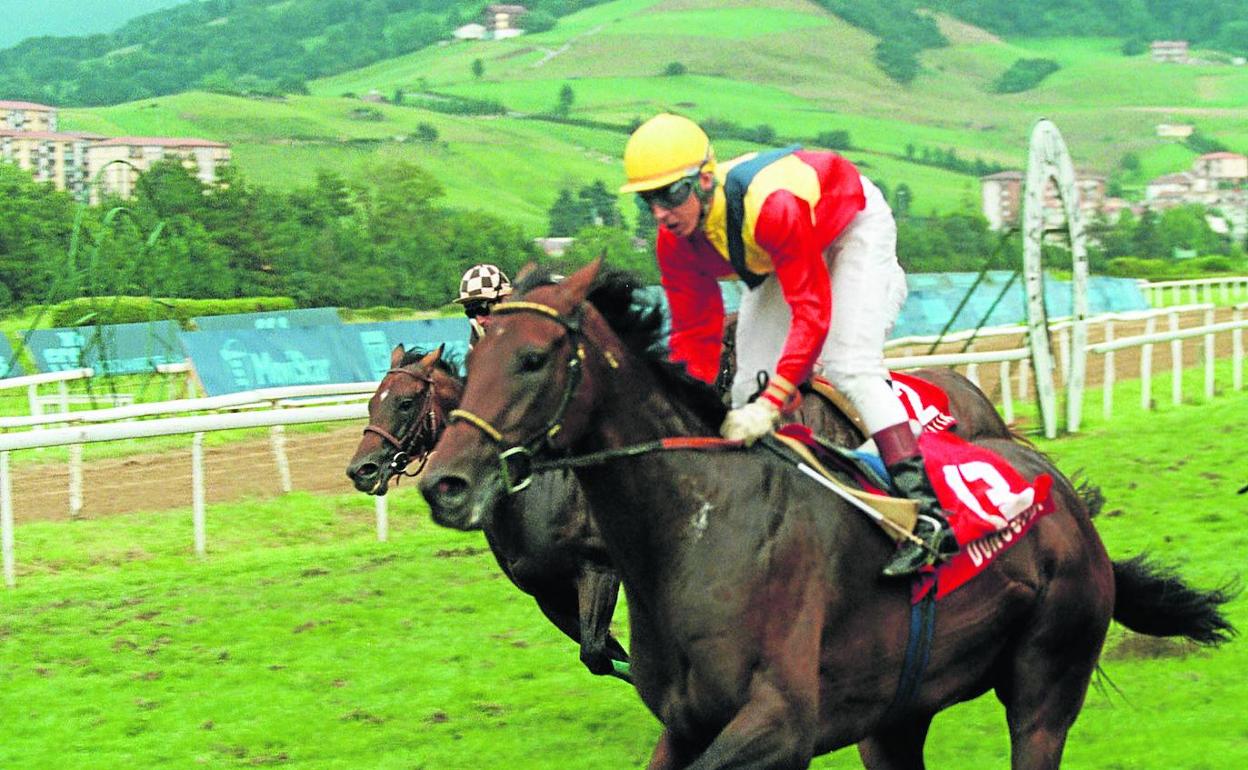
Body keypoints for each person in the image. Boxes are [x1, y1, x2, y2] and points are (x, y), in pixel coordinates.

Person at [619, 113, 957, 577]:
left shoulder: (771, 207)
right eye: (648, 200)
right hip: (777, 254)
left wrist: (776, 398)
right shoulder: (674, 244)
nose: (660, 212)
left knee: (848, 364)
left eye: (670, 195)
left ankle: (928, 515)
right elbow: (695, 337)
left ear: (703, 180)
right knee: (742, 390)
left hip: (850, 227)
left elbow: (812, 313)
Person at [454, 263, 512, 349]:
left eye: (483, 309)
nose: (479, 321)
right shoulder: (478, 335)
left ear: (505, 300)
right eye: (471, 313)